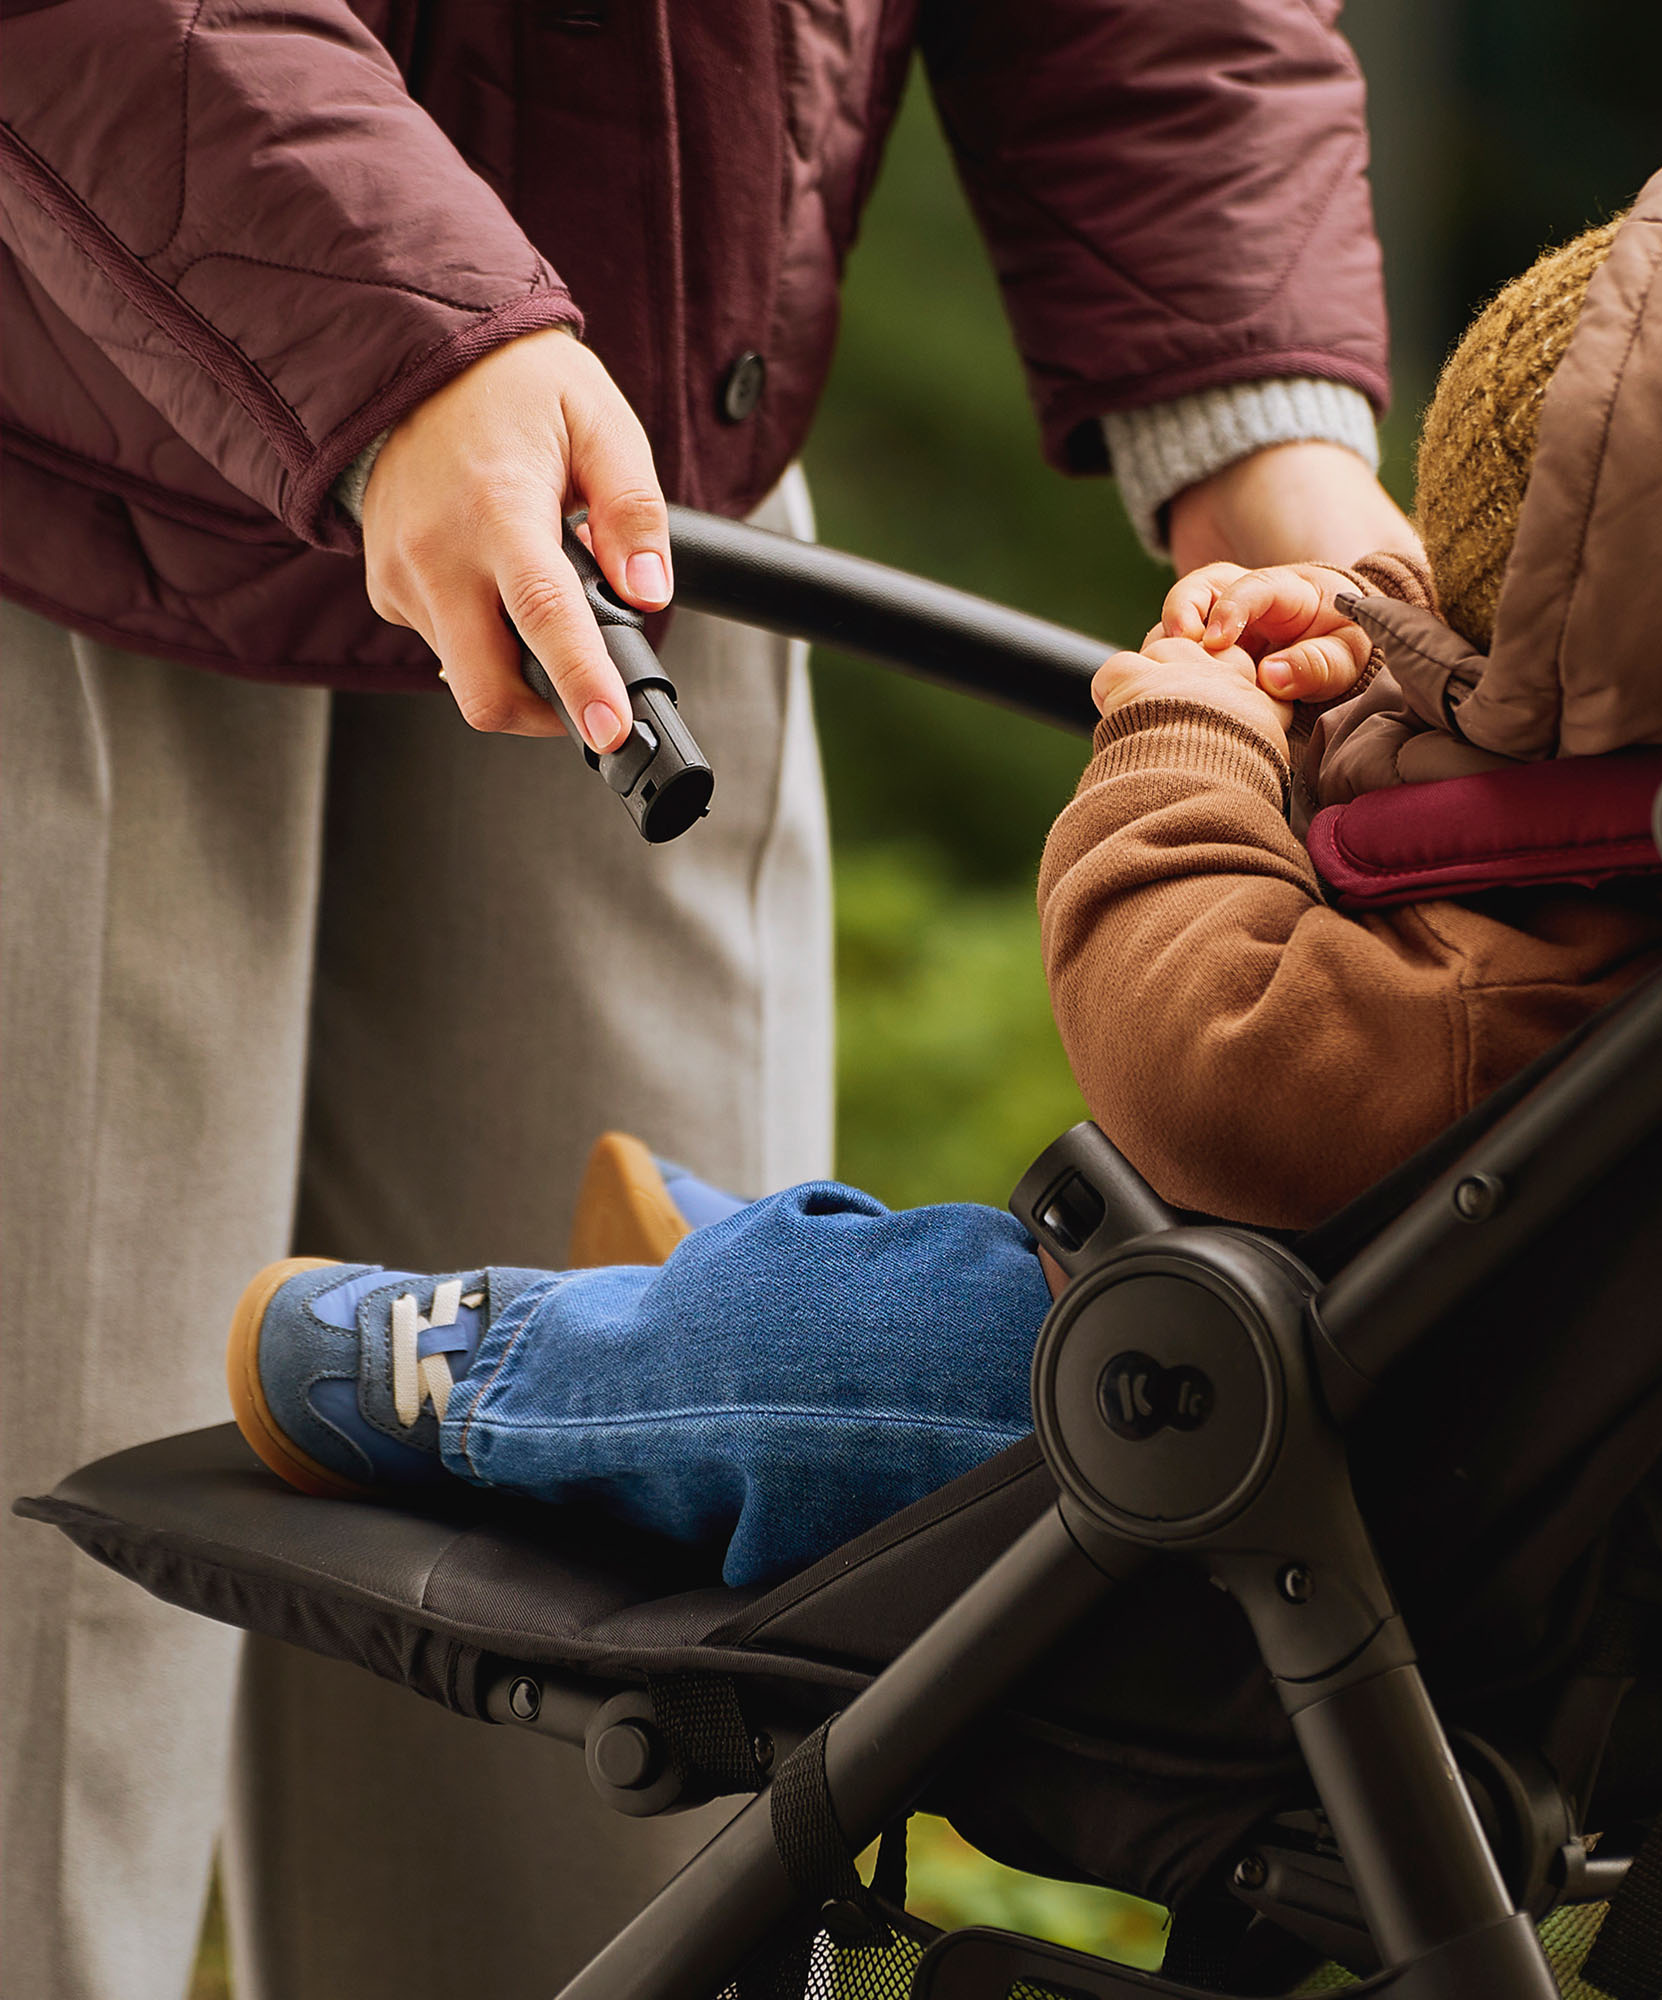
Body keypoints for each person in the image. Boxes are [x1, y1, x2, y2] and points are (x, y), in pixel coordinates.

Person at [1, 5, 1416, 1996]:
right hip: (56, 406)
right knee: (38, 1701)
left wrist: (1260, 431)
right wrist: (400, 322)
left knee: (638, 1704)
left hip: (647, 487)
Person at [219, 106, 1662, 1589]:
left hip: (1238, 1443)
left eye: (1495, 624)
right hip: (1605, 1442)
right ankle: (727, 1269)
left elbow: (1210, 1054)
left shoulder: (1531, 972)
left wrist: (1188, 736)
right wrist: (1384, 648)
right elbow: (1583, 720)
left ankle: (503, 1366)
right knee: (921, 1281)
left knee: (863, 1343)